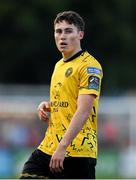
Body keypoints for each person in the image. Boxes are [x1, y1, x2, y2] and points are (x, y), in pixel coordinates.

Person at [20, 10, 103, 179]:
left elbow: (83, 111)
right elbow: (68, 100)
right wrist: (48, 105)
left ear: (80, 34)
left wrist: (63, 147)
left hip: (77, 152)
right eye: (58, 31)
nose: (62, 36)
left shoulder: (89, 67)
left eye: (68, 31)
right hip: (48, 147)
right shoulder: (59, 65)